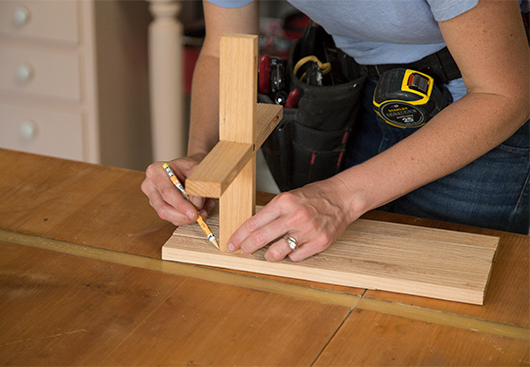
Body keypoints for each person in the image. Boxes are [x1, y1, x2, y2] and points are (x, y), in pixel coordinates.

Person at [142, 0, 530, 262]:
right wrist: (202, 157)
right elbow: (222, 50)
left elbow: (505, 93)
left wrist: (339, 199)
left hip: (481, 109)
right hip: (361, 87)